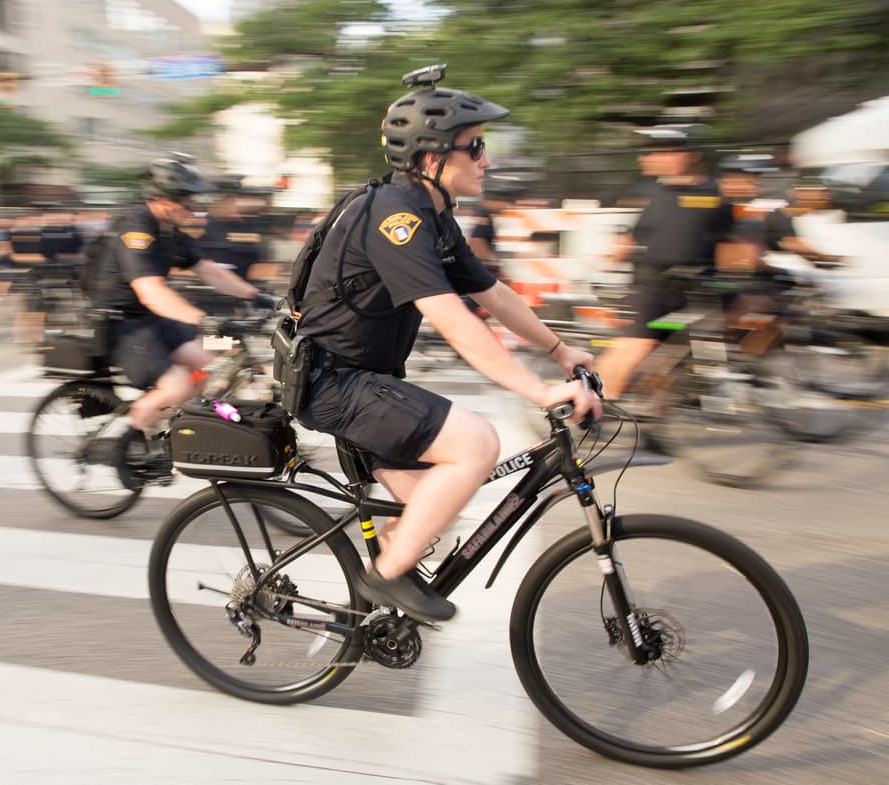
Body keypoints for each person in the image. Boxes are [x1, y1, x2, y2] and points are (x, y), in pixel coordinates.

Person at [292, 67, 600, 622]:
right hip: (335, 382)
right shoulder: (395, 219)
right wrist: (536, 390)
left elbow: (493, 294)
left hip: (369, 380)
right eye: (476, 147)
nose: (487, 160)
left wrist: (559, 351)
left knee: (436, 502)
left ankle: (370, 617)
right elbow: (454, 321)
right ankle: (383, 578)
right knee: (476, 445)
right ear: (433, 159)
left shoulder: (432, 214)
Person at [90, 155, 275, 471]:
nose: (193, 207)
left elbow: (208, 270)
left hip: (155, 320)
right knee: (179, 386)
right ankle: (126, 444)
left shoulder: (168, 230)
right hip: (123, 323)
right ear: (162, 198)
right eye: (187, 201)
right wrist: (202, 319)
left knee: (217, 362)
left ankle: (179, 426)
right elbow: (151, 292)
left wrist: (258, 296)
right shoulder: (136, 229)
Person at [593, 126, 735, 397]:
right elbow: (633, 236)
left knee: (674, 359)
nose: (647, 159)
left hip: (694, 288)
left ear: (688, 155)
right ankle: (588, 411)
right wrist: (606, 266)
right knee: (636, 346)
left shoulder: (717, 193)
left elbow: (727, 241)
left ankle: (650, 424)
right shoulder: (651, 192)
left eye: (660, 152)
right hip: (653, 285)